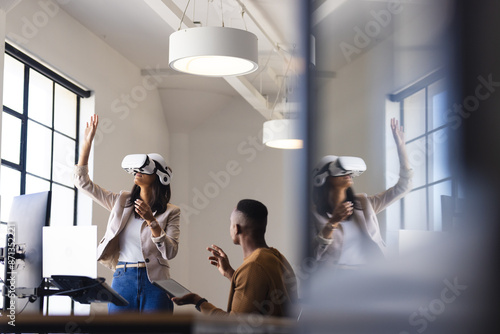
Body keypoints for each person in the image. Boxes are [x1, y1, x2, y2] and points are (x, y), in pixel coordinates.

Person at [74, 114, 180, 313]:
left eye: (145, 168)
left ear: (159, 177)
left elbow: (170, 252)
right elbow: (83, 184)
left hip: (157, 282)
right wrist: (86, 145)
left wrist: (152, 222)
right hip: (124, 278)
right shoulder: (121, 202)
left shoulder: (171, 212)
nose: (138, 171)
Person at [311, 118, 413, 267]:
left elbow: (404, 187)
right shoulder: (314, 215)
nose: (346, 173)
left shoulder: (364, 204)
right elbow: (312, 256)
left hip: (369, 276)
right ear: (322, 179)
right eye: (339, 170)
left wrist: (401, 147)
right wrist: (332, 223)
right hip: (334, 280)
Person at [172, 199, 298, 317]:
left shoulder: (254, 266)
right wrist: (230, 273)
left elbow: (233, 326)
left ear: (236, 228)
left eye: (230, 223)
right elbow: (259, 295)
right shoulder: (277, 257)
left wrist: (198, 301)